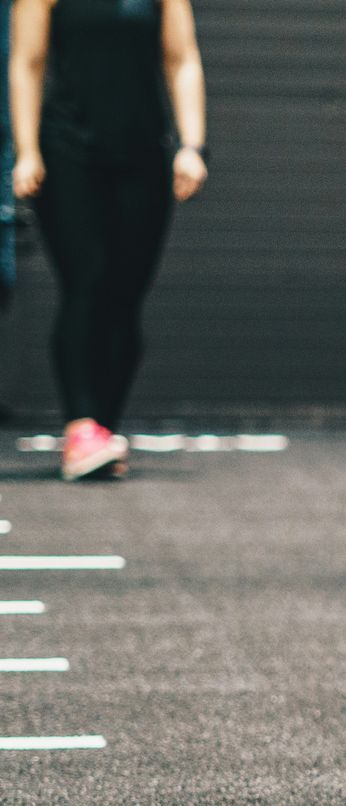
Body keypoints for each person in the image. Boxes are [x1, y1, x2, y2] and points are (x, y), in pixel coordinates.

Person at [10, 0, 206, 482]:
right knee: (86, 279)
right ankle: (81, 426)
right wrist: (28, 150)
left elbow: (182, 60)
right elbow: (26, 62)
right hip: (67, 147)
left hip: (142, 152)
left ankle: (103, 429)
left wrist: (191, 146)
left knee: (124, 294)